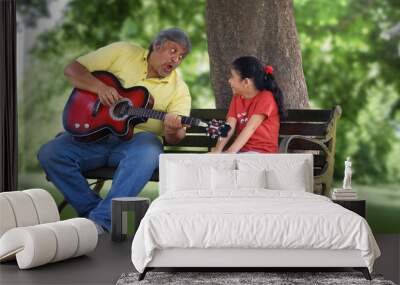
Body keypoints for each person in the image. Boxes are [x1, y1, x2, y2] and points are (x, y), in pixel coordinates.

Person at [37, 28, 192, 234]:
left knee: (150, 147)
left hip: (133, 147)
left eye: (181, 56)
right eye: (173, 51)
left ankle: (101, 221)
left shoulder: (179, 89)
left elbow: (176, 138)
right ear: (157, 45)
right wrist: (99, 87)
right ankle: (95, 214)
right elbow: (73, 70)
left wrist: (173, 130)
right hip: (94, 138)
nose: (176, 59)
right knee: (50, 153)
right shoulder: (122, 52)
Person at [211, 56, 286, 154]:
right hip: (242, 152)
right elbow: (228, 126)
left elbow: (251, 128)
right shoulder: (237, 98)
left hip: (262, 153)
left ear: (246, 82)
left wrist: (230, 153)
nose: (229, 81)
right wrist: (217, 151)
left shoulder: (266, 98)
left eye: (232, 77)